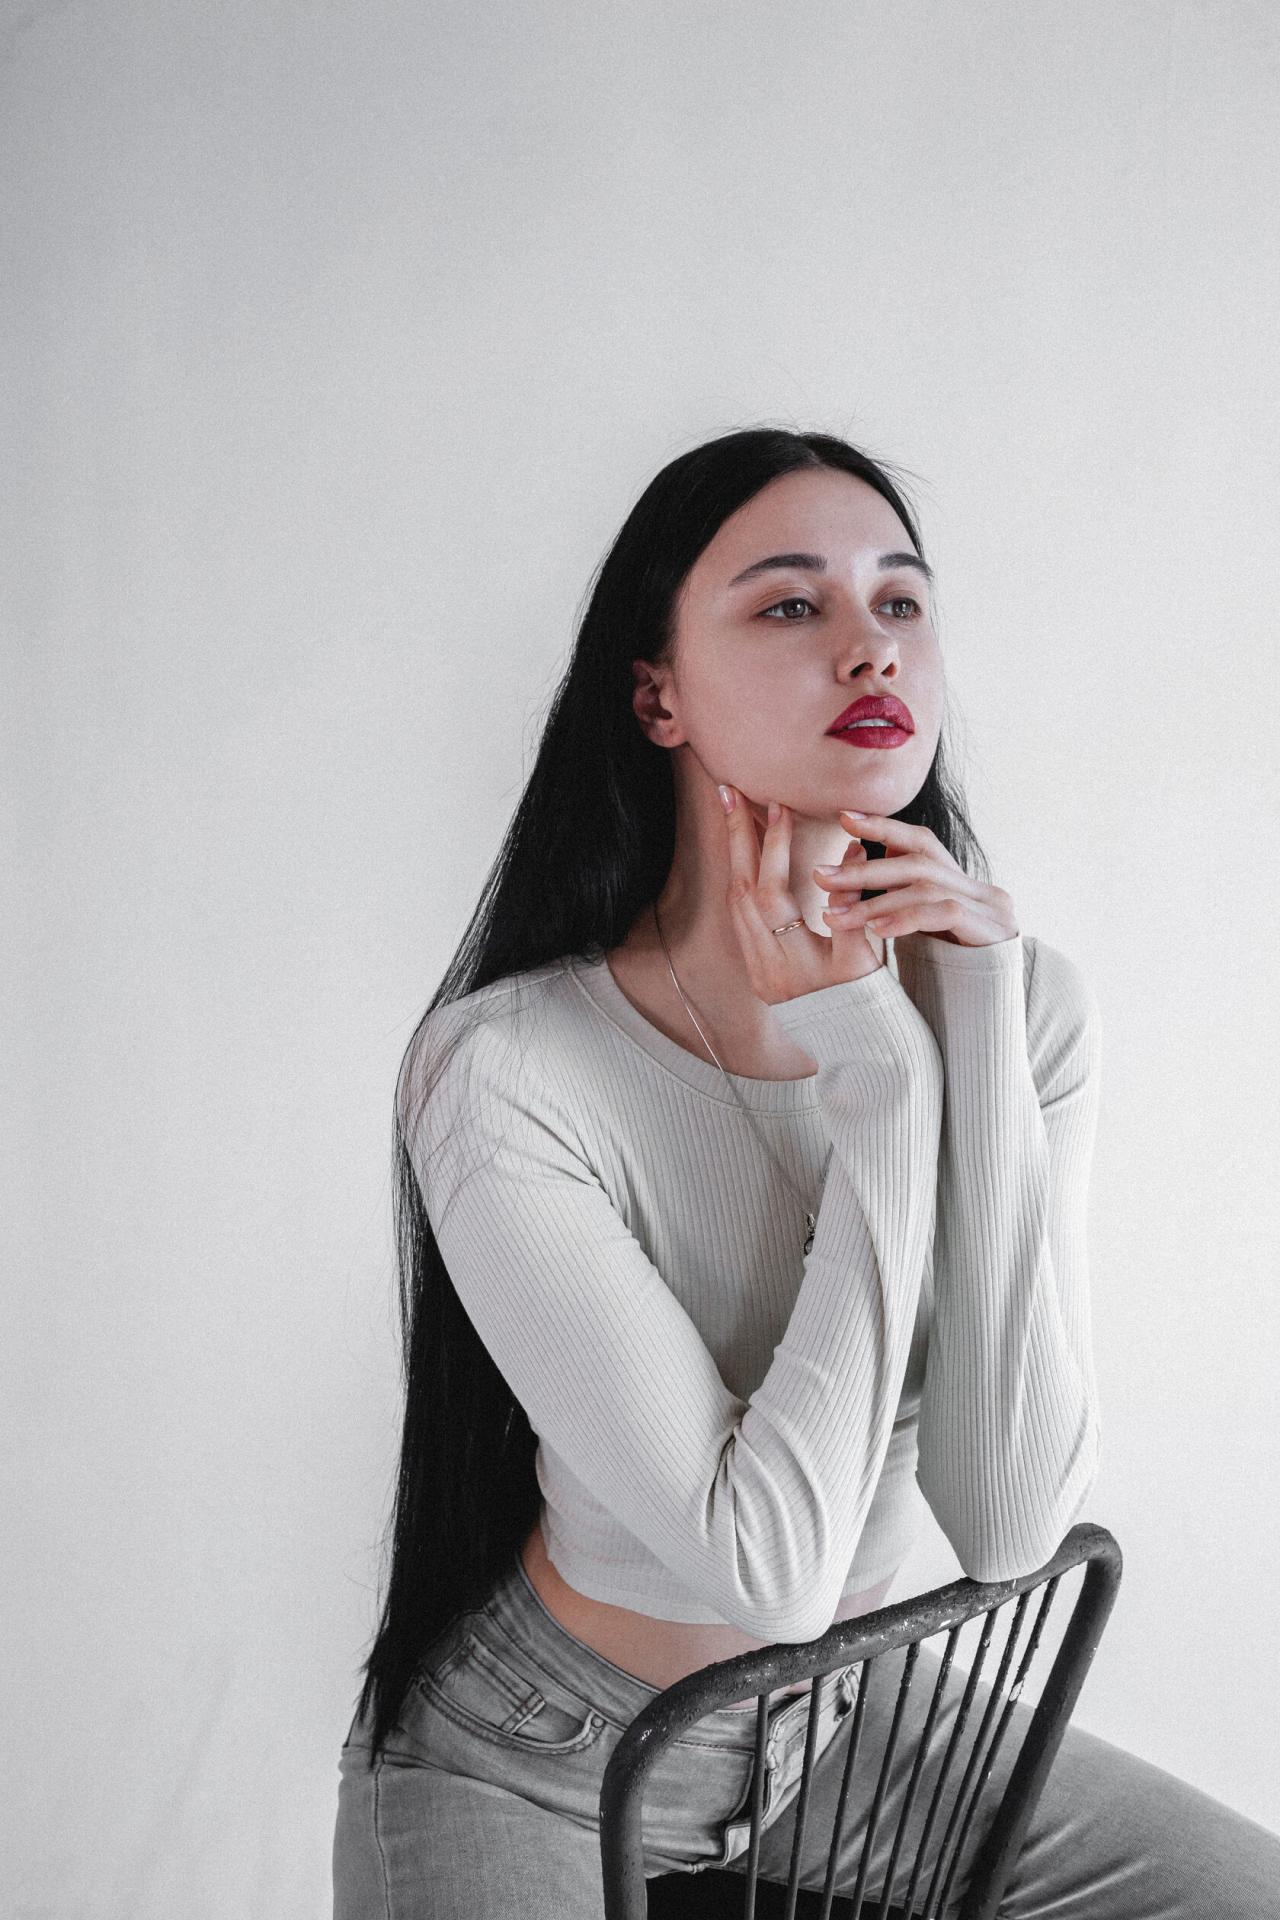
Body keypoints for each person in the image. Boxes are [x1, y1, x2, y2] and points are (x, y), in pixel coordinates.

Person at [332, 426, 1280, 1917]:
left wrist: (969, 1019)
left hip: (851, 1723)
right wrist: (883, 1088)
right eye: (791, 604)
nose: (869, 647)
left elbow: (1011, 1518)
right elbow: (764, 1569)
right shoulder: (508, 1068)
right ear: (656, 694)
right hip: (544, 1758)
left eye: (901, 602)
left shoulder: (1024, 1007)